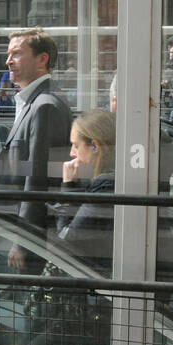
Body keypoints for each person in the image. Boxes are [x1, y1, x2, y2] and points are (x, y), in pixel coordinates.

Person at [0, 30, 72, 273]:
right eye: (8, 54)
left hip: (33, 240)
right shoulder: (36, 101)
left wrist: (23, 242)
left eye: (17, 53)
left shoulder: (45, 106)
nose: (8, 60)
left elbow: (38, 179)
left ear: (42, 60)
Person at [54, 109, 116, 274]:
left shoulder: (106, 186)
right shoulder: (111, 180)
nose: (71, 153)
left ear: (95, 146)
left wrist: (68, 185)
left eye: (75, 145)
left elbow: (66, 238)